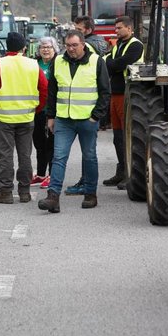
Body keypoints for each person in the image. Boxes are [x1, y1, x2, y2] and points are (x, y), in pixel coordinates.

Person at [38, 30, 111, 213]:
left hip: (87, 119)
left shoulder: (96, 62)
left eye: (74, 45)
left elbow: (105, 92)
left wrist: (96, 116)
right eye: (68, 45)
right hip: (64, 119)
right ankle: (53, 196)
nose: (70, 49)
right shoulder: (59, 61)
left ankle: (90, 194)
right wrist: (50, 116)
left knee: (89, 157)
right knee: (59, 157)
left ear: (83, 45)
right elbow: (53, 91)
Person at [0, 32, 48, 204]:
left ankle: (5, 192)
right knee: (25, 155)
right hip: (27, 117)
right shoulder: (33, 64)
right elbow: (44, 89)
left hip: (4, 117)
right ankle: (25, 192)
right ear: (24, 47)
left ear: (7, 47)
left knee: (6, 155)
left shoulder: (0, 63)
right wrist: (37, 108)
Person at [64, 16, 112, 195]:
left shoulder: (87, 48)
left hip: (83, 110)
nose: (76, 30)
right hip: (92, 107)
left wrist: (94, 115)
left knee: (87, 153)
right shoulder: (100, 43)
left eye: (79, 28)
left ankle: (86, 184)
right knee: (89, 152)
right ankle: (87, 184)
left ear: (87, 30)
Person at [103, 16, 144, 189]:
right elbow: (107, 62)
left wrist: (112, 63)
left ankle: (131, 174)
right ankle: (121, 171)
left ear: (128, 28)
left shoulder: (136, 45)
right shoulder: (118, 44)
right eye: (116, 28)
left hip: (129, 93)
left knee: (128, 136)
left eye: (119, 28)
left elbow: (119, 64)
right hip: (116, 93)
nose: (116, 31)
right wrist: (112, 63)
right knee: (118, 136)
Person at [30, 36, 59, 189]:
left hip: (53, 110)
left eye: (48, 47)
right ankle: (40, 174)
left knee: (51, 145)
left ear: (54, 49)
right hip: (37, 109)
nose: (45, 50)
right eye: (42, 47)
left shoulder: (59, 63)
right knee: (39, 143)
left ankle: (51, 176)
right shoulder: (34, 64)